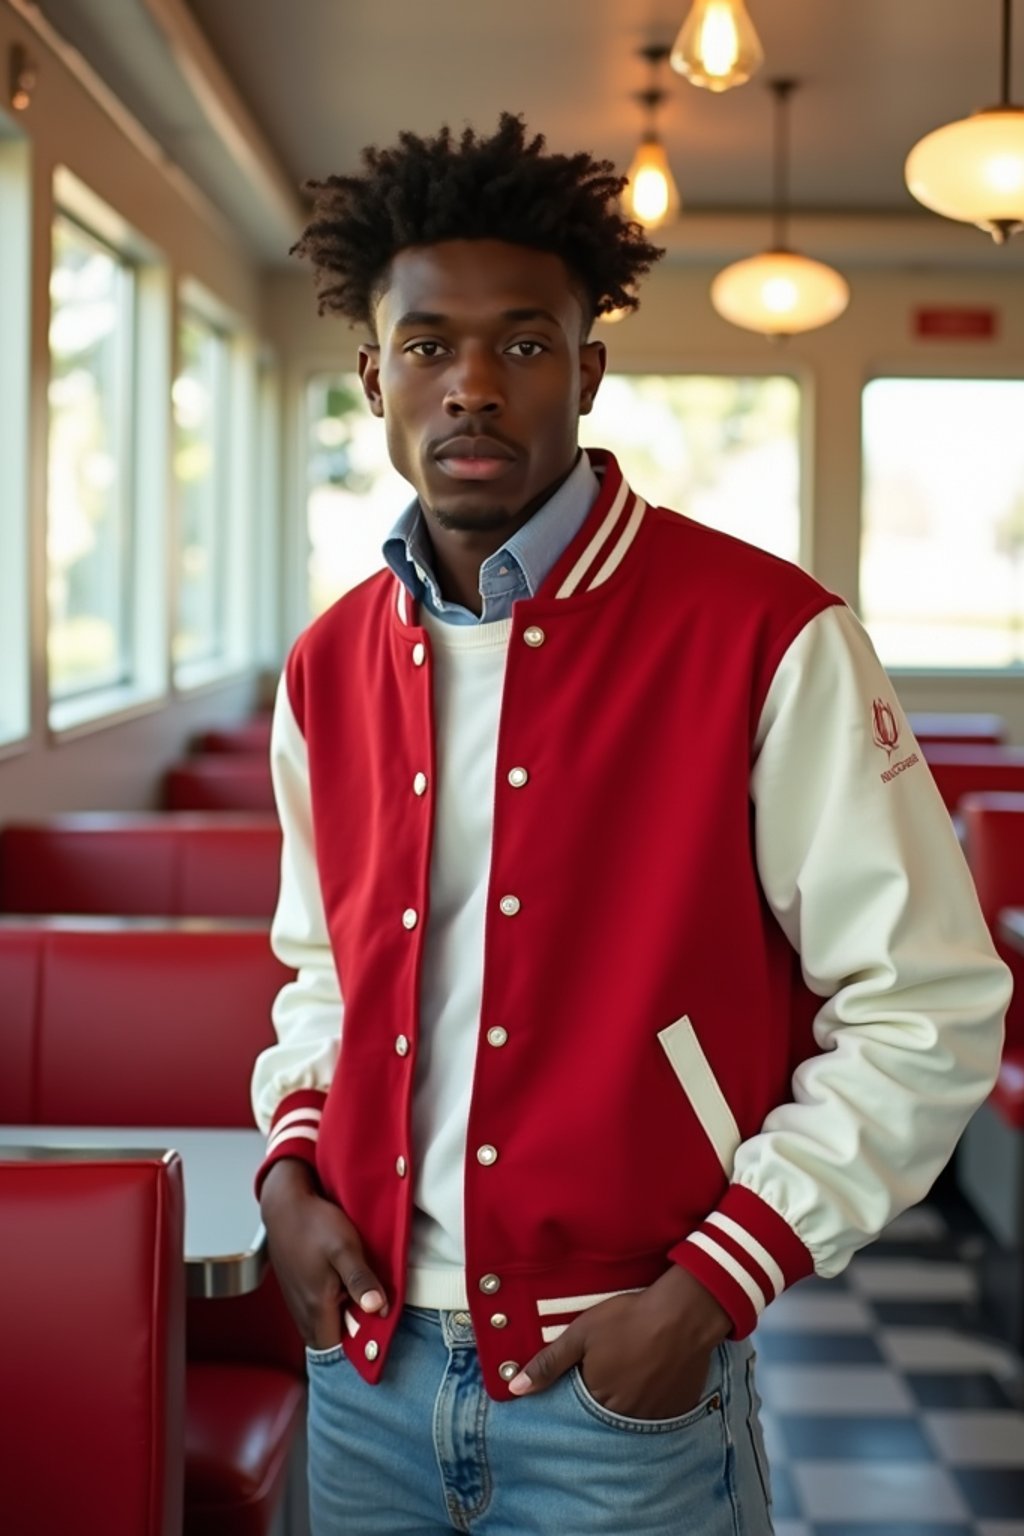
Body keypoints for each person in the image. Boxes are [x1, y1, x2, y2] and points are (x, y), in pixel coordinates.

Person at [251, 113, 1010, 1536]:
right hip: (360, 1374)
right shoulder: (325, 666)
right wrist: (292, 1172)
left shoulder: (767, 636)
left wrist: (712, 1287)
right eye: (428, 346)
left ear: (588, 371)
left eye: (524, 343)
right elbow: (320, 975)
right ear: (372, 378)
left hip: (623, 1388)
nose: (473, 385)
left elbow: (929, 1005)